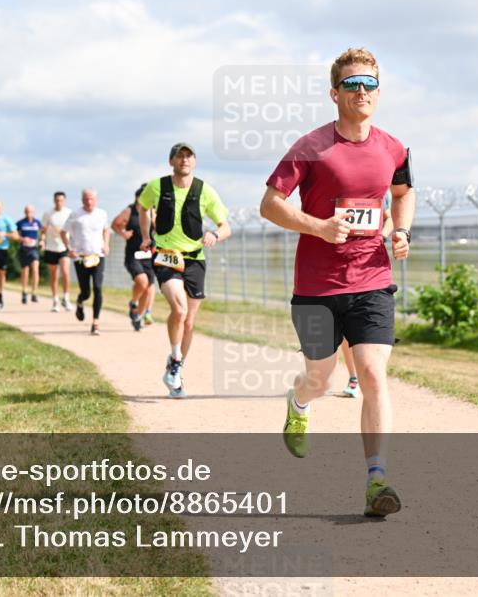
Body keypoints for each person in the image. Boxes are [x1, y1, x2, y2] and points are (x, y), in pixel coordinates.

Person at [259, 47, 415, 517]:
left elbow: (403, 192)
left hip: (372, 278)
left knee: (372, 373)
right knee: (321, 379)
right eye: (352, 84)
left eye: (369, 84)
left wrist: (402, 230)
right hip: (317, 286)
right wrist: (319, 227)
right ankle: (298, 403)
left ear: (379, 92)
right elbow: (270, 205)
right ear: (335, 93)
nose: (361, 91)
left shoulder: (394, 148)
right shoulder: (311, 147)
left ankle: (377, 479)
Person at [138, 143, 230, 398]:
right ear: (171, 162)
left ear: (195, 161)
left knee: (189, 321)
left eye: (189, 156)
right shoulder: (156, 186)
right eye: (179, 156)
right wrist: (145, 236)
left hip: (195, 259)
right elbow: (142, 207)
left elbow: (225, 226)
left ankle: (175, 369)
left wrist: (214, 234)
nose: (184, 160)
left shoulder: (204, 190)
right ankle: (176, 356)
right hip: (167, 256)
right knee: (179, 310)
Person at [341, 195, 395, 398]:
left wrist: (382, 237)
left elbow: (390, 217)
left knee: (366, 330)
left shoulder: (381, 191)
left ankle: (367, 375)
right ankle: (353, 376)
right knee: (345, 332)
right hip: (338, 265)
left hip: (369, 268)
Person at [62, 189, 110, 336]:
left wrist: (106, 244)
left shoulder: (102, 214)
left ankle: (95, 322)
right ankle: (80, 301)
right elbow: (63, 232)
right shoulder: (75, 214)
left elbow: (106, 230)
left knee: (97, 287)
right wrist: (69, 248)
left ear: (96, 200)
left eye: (92, 199)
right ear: (82, 200)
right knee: (86, 292)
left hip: (97, 256)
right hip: (81, 257)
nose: (89, 202)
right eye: (86, 199)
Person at [111, 183, 157, 331]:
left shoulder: (152, 211)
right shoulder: (129, 211)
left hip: (149, 255)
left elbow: (159, 228)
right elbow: (115, 224)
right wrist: (123, 233)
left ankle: (138, 315)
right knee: (142, 282)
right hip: (133, 254)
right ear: (137, 197)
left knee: (148, 288)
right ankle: (134, 302)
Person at [41, 191, 73, 313]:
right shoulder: (48, 214)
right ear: (54, 201)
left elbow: (73, 229)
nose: (59, 202)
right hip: (51, 247)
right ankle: (55, 300)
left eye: (61, 200)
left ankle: (66, 297)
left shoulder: (69, 213)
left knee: (65, 272)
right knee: (54, 275)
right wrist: (42, 241)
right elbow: (43, 230)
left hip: (64, 247)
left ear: (64, 201)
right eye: (57, 200)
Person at [15, 205, 42, 305]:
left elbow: (42, 233)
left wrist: (42, 241)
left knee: (35, 269)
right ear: (24, 212)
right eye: (26, 211)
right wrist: (22, 239)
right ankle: (24, 291)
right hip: (24, 249)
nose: (28, 213)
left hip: (34, 249)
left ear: (33, 212)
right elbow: (15, 235)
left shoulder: (37, 222)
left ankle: (34, 292)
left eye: (30, 211)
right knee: (25, 271)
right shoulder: (20, 223)